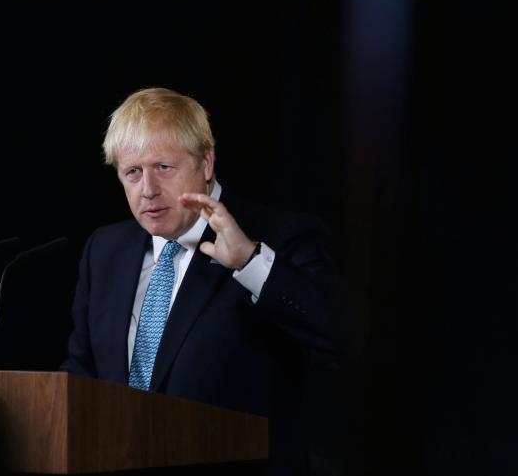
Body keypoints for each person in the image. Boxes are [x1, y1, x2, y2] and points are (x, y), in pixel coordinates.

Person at [61, 87, 355, 475]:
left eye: (163, 167)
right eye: (133, 172)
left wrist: (250, 262)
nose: (147, 189)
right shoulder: (104, 250)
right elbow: (80, 374)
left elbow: (340, 334)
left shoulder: (276, 235)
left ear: (206, 162)